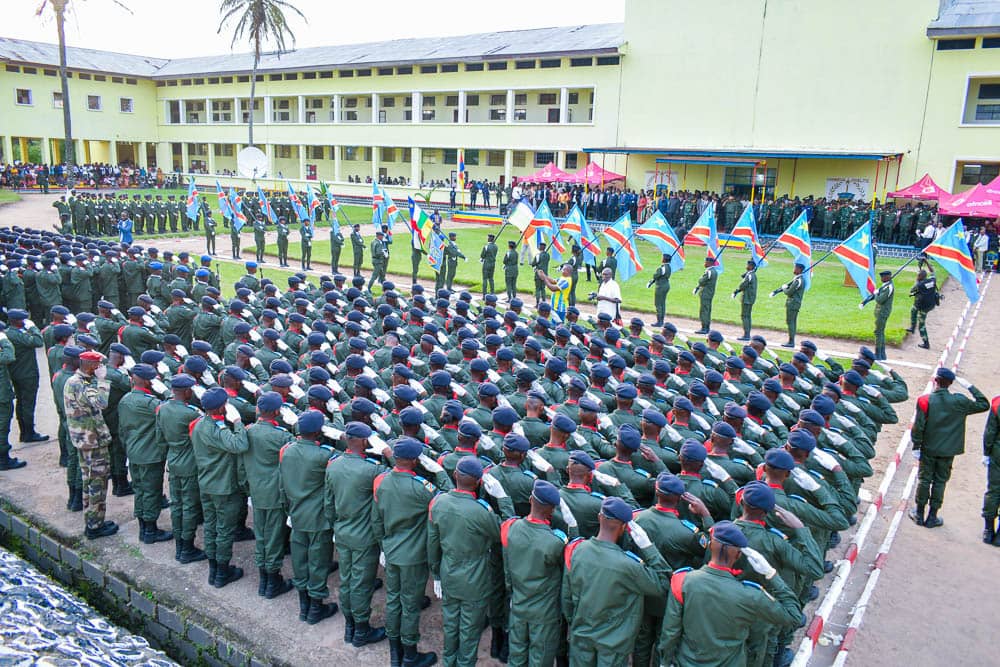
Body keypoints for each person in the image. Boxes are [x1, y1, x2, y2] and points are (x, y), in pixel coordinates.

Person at [658, 521, 803, 666]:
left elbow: (670, 632)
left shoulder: (682, 581)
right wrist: (771, 574)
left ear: (710, 546)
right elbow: (794, 616)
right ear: (739, 555)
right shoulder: (751, 595)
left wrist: (665, 662)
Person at [562, 496, 671, 663]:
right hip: (614, 643)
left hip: (581, 635)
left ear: (599, 517)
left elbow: (567, 597)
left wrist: (576, 624)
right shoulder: (629, 565)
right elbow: (663, 584)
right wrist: (649, 548)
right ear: (624, 527)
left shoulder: (577, 550)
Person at [428, 455, 510, 667]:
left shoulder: (438, 503)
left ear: (455, 475)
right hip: (475, 580)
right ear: (479, 482)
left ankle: (448, 662)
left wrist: (436, 573)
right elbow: (506, 532)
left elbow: (433, 544)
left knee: (450, 625)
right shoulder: (481, 511)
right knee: (469, 632)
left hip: (449, 573)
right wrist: (503, 499)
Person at [324, 422, 388, 647]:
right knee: (361, 582)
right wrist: (386, 451)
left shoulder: (333, 465)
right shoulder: (373, 469)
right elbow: (396, 473)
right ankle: (361, 630)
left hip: (342, 531)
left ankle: (350, 625)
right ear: (363, 441)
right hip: (364, 535)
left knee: (347, 579)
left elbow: (328, 504)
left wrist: (335, 526)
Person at [280, 410, 339, 624]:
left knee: (300, 560)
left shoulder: (287, 451)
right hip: (318, 517)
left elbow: (282, 485)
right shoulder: (325, 455)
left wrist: (288, 510)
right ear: (317, 432)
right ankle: (315, 608)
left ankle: (304, 605)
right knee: (318, 563)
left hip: (296, 514)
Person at [910, 367, 988, 528]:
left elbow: (918, 427)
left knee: (924, 480)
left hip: (928, 448)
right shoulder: (960, 401)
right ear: (951, 383)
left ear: (935, 381)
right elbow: (984, 404)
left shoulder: (925, 400)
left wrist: (916, 446)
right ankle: (932, 516)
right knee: (940, 482)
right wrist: (970, 386)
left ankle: (919, 514)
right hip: (948, 451)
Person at [190, 386, 249, 588]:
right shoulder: (218, 429)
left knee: (211, 526)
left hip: (206, 483)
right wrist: (238, 422)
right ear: (221, 408)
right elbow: (240, 445)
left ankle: (214, 569)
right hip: (223, 486)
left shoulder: (199, 424)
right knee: (224, 530)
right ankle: (222, 572)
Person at [63, 350, 118, 539]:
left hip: (85, 439)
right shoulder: (81, 384)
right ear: (91, 366)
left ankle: (93, 520)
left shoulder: (74, 381)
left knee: (89, 481)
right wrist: (103, 380)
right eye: (99, 365)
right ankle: (95, 526)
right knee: (97, 483)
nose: (101, 368)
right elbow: (101, 403)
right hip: (92, 442)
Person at [118, 363, 173, 545]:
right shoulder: (150, 403)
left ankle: (143, 527)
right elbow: (170, 410)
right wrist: (166, 391)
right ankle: (150, 530)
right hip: (150, 454)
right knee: (151, 491)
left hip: (133, 452)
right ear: (148, 381)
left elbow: (121, 430)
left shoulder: (125, 400)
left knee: (140, 490)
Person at [156, 373, 208, 564]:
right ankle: (187, 548)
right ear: (186, 392)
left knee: (176, 505)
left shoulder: (162, 409)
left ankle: (180, 546)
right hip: (190, 464)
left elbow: (160, 439)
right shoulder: (192, 413)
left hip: (174, 461)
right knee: (190, 506)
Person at [5, 310, 47, 443]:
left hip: (17, 373)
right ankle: (29, 433)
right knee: (28, 404)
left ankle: (25, 432)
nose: (24, 322)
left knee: (22, 403)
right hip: (27, 374)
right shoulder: (16, 334)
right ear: (16, 321)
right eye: (22, 320)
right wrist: (33, 328)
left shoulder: (9, 333)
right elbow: (38, 341)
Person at [0, 324, 25, 470]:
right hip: (2, 397)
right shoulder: (3, 347)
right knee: (2, 427)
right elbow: (9, 356)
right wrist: (4, 340)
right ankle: (3, 460)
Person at [772, 262, 806, 348]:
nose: (794, 269)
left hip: (793, 304)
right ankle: (791, 341)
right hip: (795, 303)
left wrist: (784, 289)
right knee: (792, 322)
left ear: (800, 269)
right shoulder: (798, 279)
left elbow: (789, 292)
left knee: (790, 322)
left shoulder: (798, 281)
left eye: (795, 268)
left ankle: (791, 342)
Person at [982, 393, 1000, 545]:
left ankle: (988, 530)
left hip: (998, 452)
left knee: (993, 490)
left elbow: (990, 431)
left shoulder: (997, 403)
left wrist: (986, 452)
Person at [907, 266, 938, 349]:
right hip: (931, 304)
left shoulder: (919, 285)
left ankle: (926, 343)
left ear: (920, 277)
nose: (917, 276)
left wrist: (917, 281)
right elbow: (932, 271)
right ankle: (912, 327)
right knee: (913, 310)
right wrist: (926, 262)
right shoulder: (932, 280)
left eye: (918, 275)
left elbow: (912, 290)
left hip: (923, 306)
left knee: (921, 324)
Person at [732, 260, 758, 341]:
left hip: (747, 299)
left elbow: (742, 285)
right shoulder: (751, 274)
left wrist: (736, 291)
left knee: (745, 316)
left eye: (748, 265)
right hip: (750, 298)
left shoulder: (749, 275)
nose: (746, 266)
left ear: (751, 266)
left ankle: (746, 335)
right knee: (747, 316)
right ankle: (747, 334)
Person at [873, 269, 895, 360]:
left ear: (888, 277)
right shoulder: (886, 286)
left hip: (882, 312)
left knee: (878, 332)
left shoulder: (888, 287)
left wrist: (876, 294)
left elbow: (880, 300)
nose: (881, 278)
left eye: (883, 277)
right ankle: (882, 354)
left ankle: (878, 354)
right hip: (881, 312)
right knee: (880, 332)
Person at [693, 257, 718, 334]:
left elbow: (701, 281)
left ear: (710, 263)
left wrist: (700, 278)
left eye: (706, 262)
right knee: (707, 310)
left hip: (705, 293)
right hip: (709, 293)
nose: (705, 263)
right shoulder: (714, 271)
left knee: (704, 311)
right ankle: (707, 327)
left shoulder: (709, 272)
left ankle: (704, 328)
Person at [648, 253, 672, 327]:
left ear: (664, 259)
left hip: (660, 286)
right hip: (666, 285)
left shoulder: (662, 268)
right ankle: (661, 320)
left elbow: (655, 276)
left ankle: (659, 321)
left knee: (658, 303)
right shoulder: (669, 267)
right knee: (662, 303)